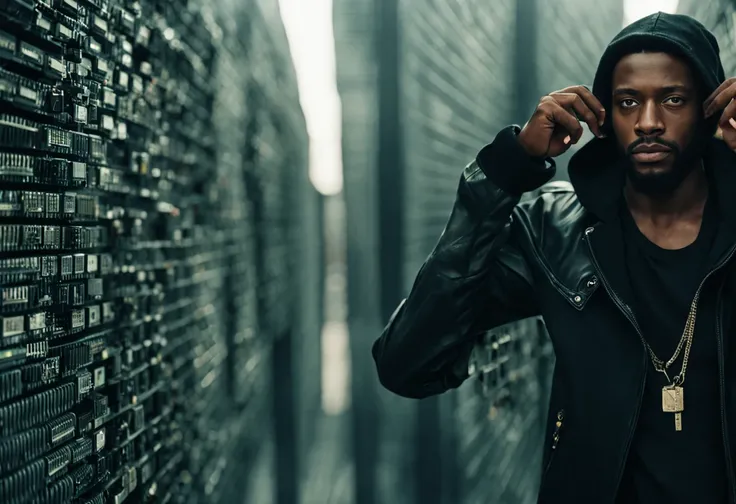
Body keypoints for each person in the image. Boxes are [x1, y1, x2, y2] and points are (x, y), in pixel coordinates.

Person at [372, 12, 736, 504]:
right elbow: (407, 361)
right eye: (628, 102)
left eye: (673, 99)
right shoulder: (554, 230)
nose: (648, 122)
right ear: (605, 115)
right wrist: (506, 172)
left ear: (710, 111)